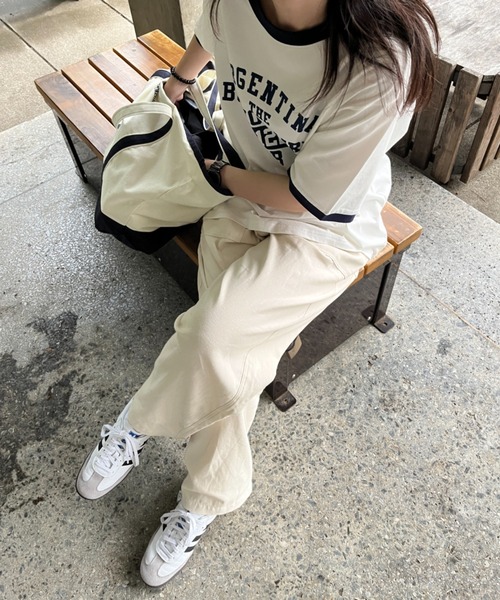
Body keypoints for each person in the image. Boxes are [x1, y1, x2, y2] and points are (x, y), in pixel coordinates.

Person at [76, 0, 439, 588]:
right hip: (242, 197)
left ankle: (136, 421)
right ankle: (206, 500)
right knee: (235, 359)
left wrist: (216, 174)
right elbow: (212, 31)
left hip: (324, 228)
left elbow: (306, 198)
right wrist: (179, 80)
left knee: (212, 337)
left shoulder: (380, 63)